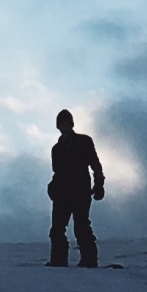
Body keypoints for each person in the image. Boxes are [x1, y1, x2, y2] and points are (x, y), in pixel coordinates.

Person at [47, 108, 104, 267]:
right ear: (58, 126)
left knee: (81, 225)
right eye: (61, 123)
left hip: (80, 190)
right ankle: (58, 260)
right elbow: (57, 171)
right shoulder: (56, 149)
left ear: (71, 124)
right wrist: (52, 186)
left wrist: (99, 182)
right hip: (62, 193)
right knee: (57, 229)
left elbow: (94, 163)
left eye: (67, 123)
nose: (64, 126)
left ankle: (89, 260)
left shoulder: (84, 141)